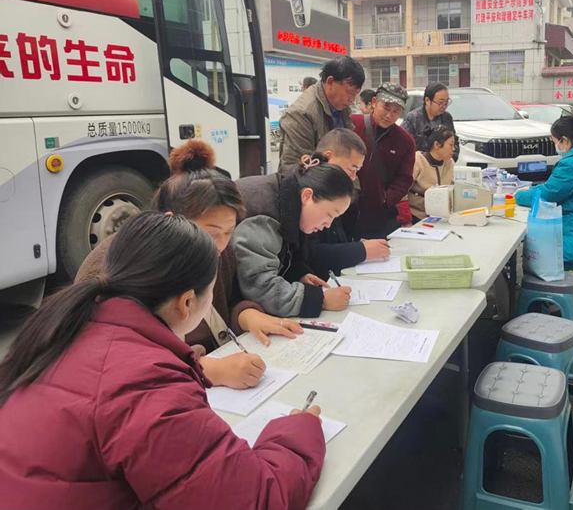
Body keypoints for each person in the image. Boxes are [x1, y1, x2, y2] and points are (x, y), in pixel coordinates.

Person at [0, 213, 325, 510]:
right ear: (187, 303)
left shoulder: (72, 326)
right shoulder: (147, 383)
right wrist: (295, 433)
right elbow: (255, 499)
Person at [75, 141, 302, 390]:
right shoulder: (121, 263)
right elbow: (119, 359)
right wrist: (208, 370)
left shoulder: (220, 251)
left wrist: (247, 316)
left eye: (229, 231)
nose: (220, 245)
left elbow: (229, 301)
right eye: (211, 233)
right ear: (171, 220)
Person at [235, 158, 354, 318]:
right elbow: (260, 287)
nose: (328, 224)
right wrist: (321, 299)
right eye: (329, 214)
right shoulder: (263, 215)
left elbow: (280, 253)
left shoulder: (288, 196)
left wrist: (297, 274)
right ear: (307, 196)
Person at [515, 116, 573, 272]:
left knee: (534, 251)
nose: (556, 147)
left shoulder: (571, 165)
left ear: (564, 140)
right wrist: (532, 190)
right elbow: (554, 187)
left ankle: (541, 287)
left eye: (555, 142)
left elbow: (547, 194)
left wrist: (519, 194)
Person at [304, 129, 390, 277]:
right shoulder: (310, 190)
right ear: (328, 157)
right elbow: (308, 253)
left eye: (357, 171)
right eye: (352, 169)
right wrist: (360, 251)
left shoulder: (334, 188)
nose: (353, 177)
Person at [351, 82, 416, 239]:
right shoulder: (352, 124)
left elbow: (404, 179)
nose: (389, 115)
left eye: (396, 111)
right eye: (386, 108)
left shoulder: (406, 142)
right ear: (374, 102)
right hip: (344, 209)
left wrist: (385, 199)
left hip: (378, 215)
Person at [279, 56, 365, 173]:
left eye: (356, 94)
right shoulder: (302, 113)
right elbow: (294, 169)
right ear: (330, 82)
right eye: (350, 92)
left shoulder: (340, 107)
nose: (352, 100)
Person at [407, 126, 456, 222]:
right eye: (451, 145)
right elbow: (402, 191)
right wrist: (406, 219)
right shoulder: (417, 160)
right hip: (416, 216)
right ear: (437, 145)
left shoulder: (450, 163)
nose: (454, 149)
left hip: (442, 217)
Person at [401, 82, 459, 160]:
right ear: (427, 100)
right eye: (440, 103)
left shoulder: (446, 118)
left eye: (446, 102)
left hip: (443, 164)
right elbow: (404, 146)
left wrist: (450, 158)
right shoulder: (413, 118)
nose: (444, 106)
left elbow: (454, 142)